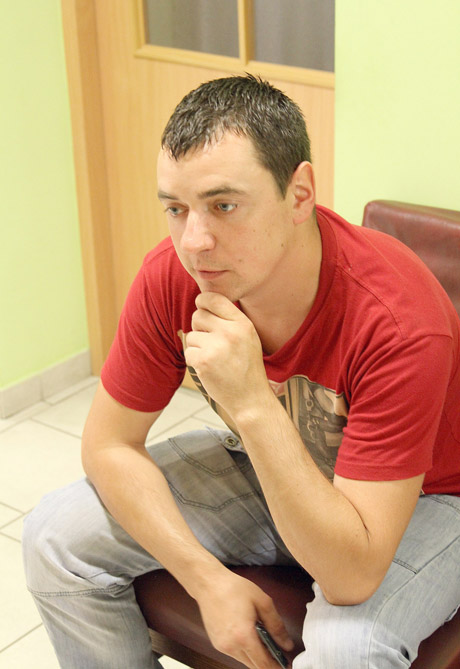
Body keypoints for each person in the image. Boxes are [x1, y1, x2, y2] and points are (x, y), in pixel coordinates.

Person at [23, 75, 460, 669]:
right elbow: (109, 445)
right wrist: (205, 579)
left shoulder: (398, 320)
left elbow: (352, 574)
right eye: (176, 209)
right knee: (53, 537)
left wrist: (251, 401)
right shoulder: (174, 277)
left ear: (299, 194)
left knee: (347, 651)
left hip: (428, 498)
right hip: (285, 465)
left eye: (224, 206)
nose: (195, 242)